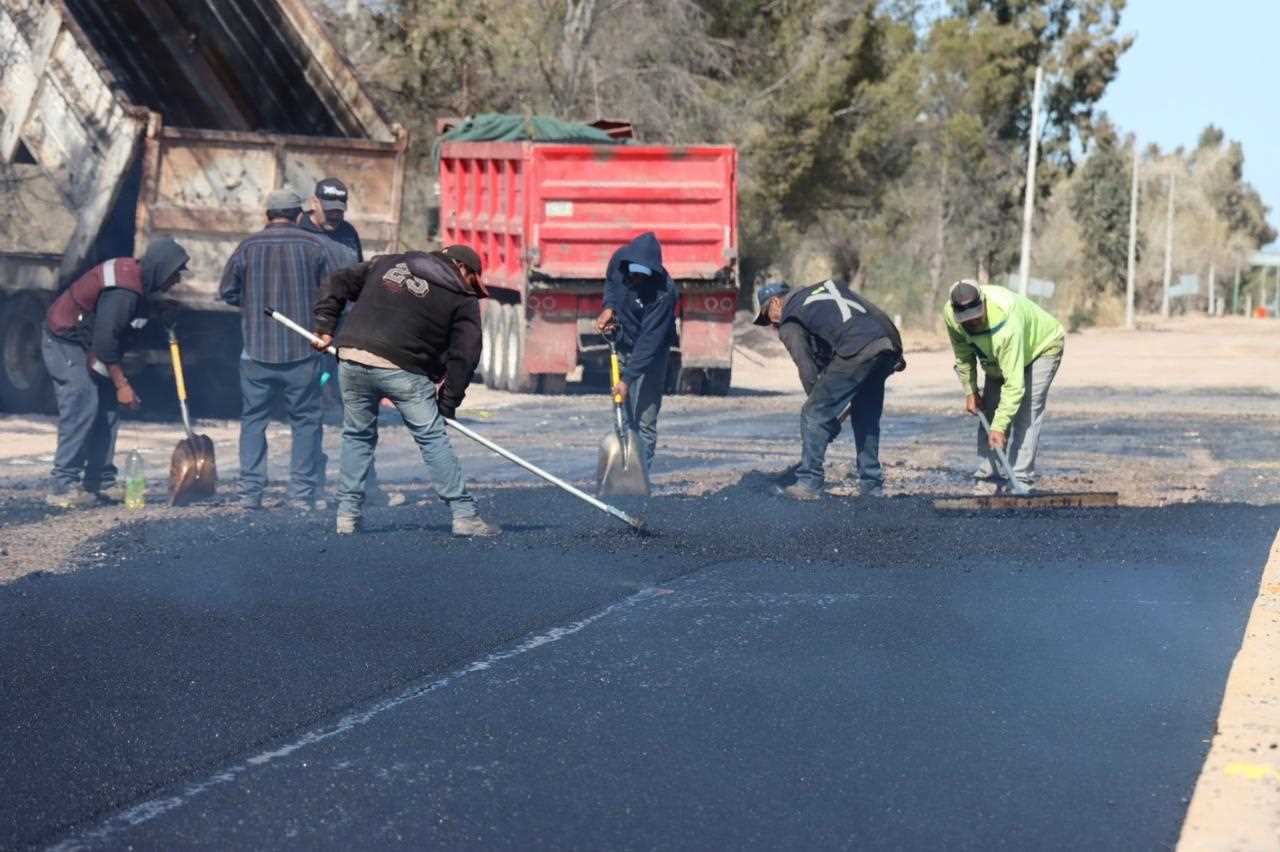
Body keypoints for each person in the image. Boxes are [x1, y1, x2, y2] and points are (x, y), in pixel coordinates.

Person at [311, 244, 498, 538]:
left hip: (352, 358)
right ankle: (464, 515)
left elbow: (338, 281)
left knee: (357, 435)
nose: (472, 286)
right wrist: (447, 403)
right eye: (473, 278)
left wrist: (325, 325)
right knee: (432, 438)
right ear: (462, 269)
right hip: (403, 370)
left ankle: (347, 515)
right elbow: (465, 356)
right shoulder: (461, 297)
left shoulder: (387, 262)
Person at [41, 238, 190, 508]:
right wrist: (122, 383)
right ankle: (63, 485)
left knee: (108, 407)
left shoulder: (139, 281)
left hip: (87, 342)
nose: (177, 280)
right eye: (174, 273)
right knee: (83, 400)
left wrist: (157, 310)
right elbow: (105, 342)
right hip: (66, 340)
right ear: (160, 268)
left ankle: (101, 480)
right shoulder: (123, 289)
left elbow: (121, 322)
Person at [219, 187, 336, 511]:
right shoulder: (314, 246)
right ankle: (300, 494)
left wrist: (251, 301)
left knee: (254, 420)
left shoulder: (248, 247)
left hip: (256, 351)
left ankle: (250, 493)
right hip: (303, 353)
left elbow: (227, 291)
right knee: (305, 422)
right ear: (299, 214)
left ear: (267, 215)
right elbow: (331, 297)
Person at [755, 269, 905, 501]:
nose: (772, 325)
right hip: (885, 346)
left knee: (813, 413)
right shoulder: (829, 286)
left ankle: (809, 483)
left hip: (856, 348)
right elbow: (875, 312)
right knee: (865, 415)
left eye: (768, 316)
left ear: (776, 302)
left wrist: (823, 414)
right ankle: (871, 486)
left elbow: (806, 367)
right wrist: (896, 350)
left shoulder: (790, 319)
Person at [943, 279, 1065, 494]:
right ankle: (989, 481)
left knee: (1026, 412)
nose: (972, 323)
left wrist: (1000, 426)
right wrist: (970, 389)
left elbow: (1014, 385)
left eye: (976, 316)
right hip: (997, 355)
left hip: (1041, 347)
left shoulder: (1007, 325)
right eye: (966, 320)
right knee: (989, 412)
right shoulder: (951, 316)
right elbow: (963, 354)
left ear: (983, 303)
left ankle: (1020, 482)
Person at [593, 232, 677, 469]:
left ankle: (641, 478)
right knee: (622, 410)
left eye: (644, 275)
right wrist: (608, 307)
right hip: (621, 343)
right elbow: (611, 283)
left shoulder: (664, 293)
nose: (637, 279)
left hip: (652, 355)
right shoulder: (619, 261)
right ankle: (622, 470)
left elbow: (649, 342)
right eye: (634, 273)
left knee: (645, 419)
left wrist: (628, 379)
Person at [303, 177, 362, 265]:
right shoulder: (299, 231)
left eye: (339, 210)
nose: (335, 216)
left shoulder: (349, 232)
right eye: (329, 210)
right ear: (314, 203)